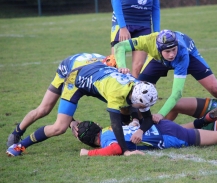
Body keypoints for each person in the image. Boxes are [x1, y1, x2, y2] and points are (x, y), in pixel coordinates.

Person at [6, 61, 158, 157]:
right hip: (76, 81)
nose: (144, 108)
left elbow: (148, 118)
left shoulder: (138, 88)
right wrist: (126, 151)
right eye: (142, 105)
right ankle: (19, 146)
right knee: (59, 127)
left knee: (126, 109)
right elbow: (115, 123)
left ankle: (122, 138)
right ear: (135, 98)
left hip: (95, 75)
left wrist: (140, 129)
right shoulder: (116, 93)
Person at [73, 98, 217, 156]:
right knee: (196, 129)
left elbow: (117, 149)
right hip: (162, 127)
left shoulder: (108, 140)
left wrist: (88, 154)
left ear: (92, 142)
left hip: (168, 135)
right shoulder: (110, 129)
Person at [114, 29, 217, 123]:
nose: (171, 54)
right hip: (158, 60)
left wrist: (161, 114)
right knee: (137, 92)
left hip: (189, 57)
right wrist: (122, 66)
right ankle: (137, 123)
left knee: (215, 88)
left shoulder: (181, 53)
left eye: (173, 49)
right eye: (167, 51)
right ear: (158, 48)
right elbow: (120, 46)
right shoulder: (148, 41)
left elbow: (177, 93)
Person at [6, 53, 117, 147]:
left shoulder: (113, 77)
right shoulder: (80, 80)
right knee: (45, 110)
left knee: (122, 106)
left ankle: (122, 133)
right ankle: (16, 134)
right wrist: (71, 122)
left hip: (84, 68)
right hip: (69, 71)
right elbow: (66, 98)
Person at [110, 0, 160, 78]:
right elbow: (115, 0)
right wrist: (122, 27)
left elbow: (155, 8)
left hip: (144, 25)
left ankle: (134, 89)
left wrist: (157, 32)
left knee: (138, 68)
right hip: (122, 22)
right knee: (115, 65)